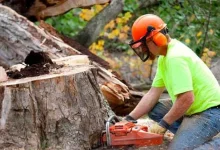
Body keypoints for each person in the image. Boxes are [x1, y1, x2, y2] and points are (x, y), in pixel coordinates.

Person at [125, 14, 220, 149]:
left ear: (156, 39)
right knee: (156, 110)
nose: (144, 50)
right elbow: (152, 93)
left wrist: (164, 124)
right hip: (194, 108)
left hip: (210, 112)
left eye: (144, 45)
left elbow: (187, 98)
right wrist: (128, 119)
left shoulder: (175, 57)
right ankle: (189, 137)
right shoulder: (165, 56)